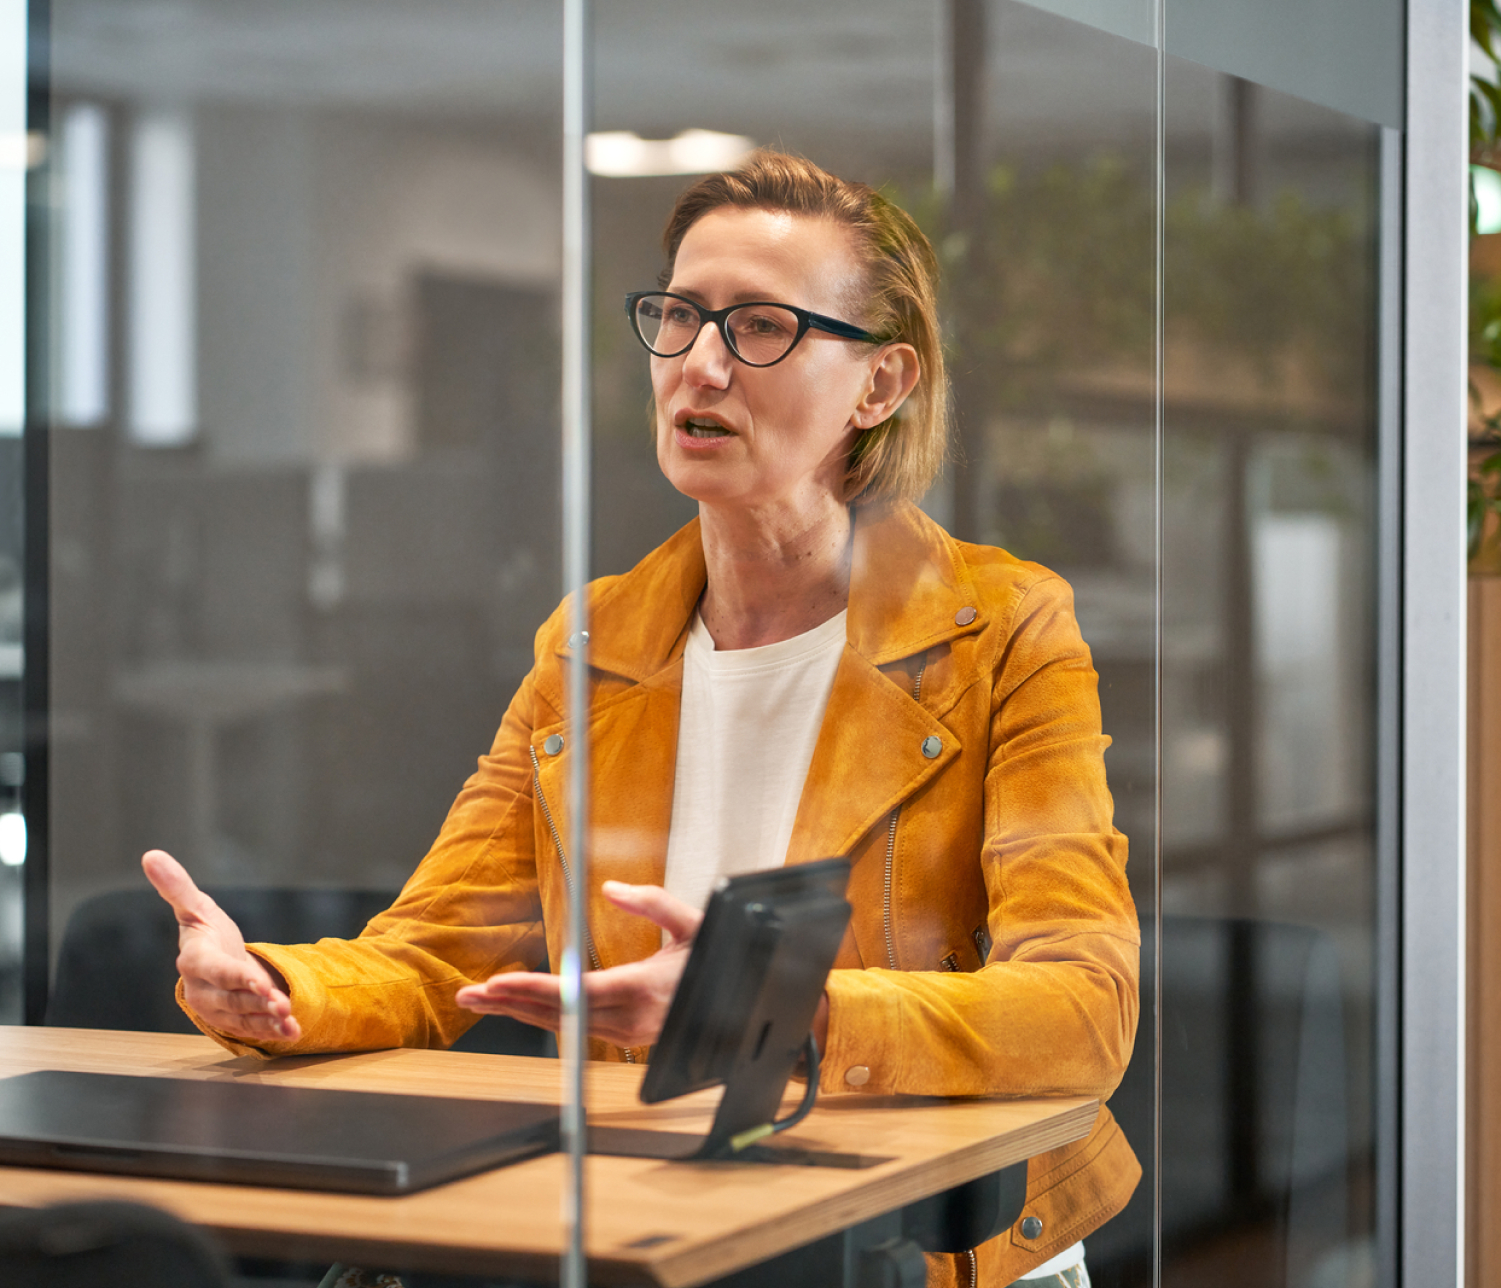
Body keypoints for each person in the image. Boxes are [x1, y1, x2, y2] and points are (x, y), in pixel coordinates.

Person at [141, 150, 1139, 1288]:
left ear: (880, 385)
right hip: (664, 1220)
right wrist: (276, 993)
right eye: (678, 317)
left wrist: (781, 1010)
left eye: (761, 326)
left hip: (923, 1240)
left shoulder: (1003, 628)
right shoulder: (594, 641)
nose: (700, 365)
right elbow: (429, 955)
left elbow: (1081, 1010)